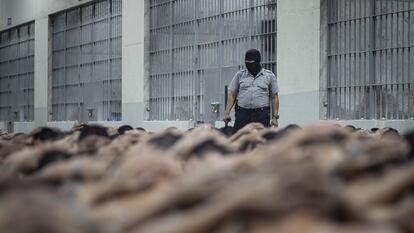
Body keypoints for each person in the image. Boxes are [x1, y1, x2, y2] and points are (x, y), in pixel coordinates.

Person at [223, 49, 279, 131]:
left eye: (251, 63)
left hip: (261, 115)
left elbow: (274, 97)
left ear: (257, 61)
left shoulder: (269, 76)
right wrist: (226, 112)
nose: (249, 65)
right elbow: (232, 94)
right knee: (240, 138)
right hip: (242, 114)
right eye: (247, 62)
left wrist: (275, 117)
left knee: (262, 139)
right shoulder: (240, 75)